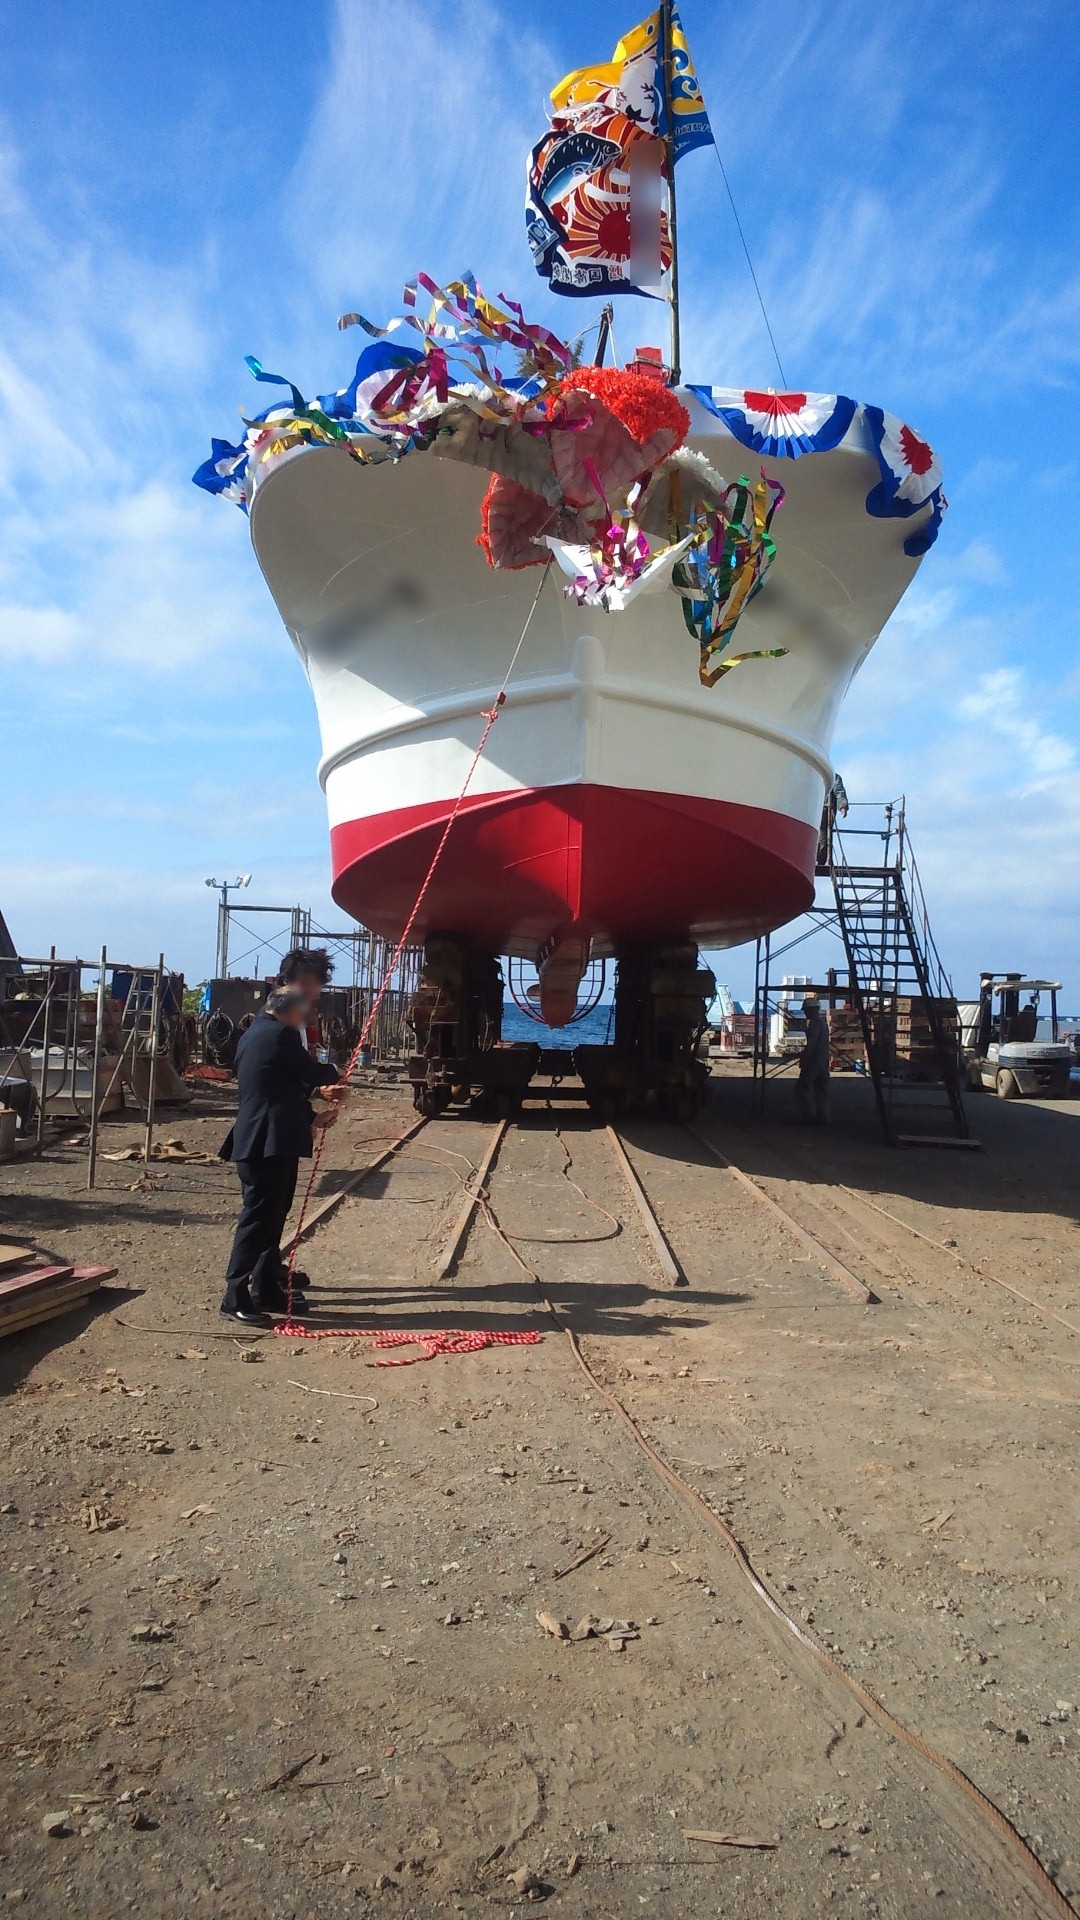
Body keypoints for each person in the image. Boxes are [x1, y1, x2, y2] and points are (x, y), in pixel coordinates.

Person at [219, 986, 345, 1324]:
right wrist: (336, 1070)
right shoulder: (278, 1035)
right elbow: (310, 1073)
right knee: (259, 1217)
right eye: (302, 1014)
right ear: (289, 1011)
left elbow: (280, 1089)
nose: (303, 1020)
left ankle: (265, 1288)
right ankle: (234, 1295)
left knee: (274, 1215)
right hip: (264, 1141)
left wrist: (312, 1117)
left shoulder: (255, 1033)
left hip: (273, 1138)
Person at [277, 947, 334, 1052]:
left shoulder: (299, 1023)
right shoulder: (278, 1024)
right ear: (286, 981)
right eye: (305, 982)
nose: (311, 989)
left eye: (317, 983)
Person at [797, 997, 830, 1124]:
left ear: (811, 1010)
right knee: (821, 1089)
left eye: (806, 1010)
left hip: (814, 1061)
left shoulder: (815, 1024)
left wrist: (804, 1058)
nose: (805, 1013)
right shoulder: (822, 1023)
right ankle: (824, 1117)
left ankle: (808, 1115)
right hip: (823, 1060)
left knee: (802, 1087)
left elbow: (812, 1044)